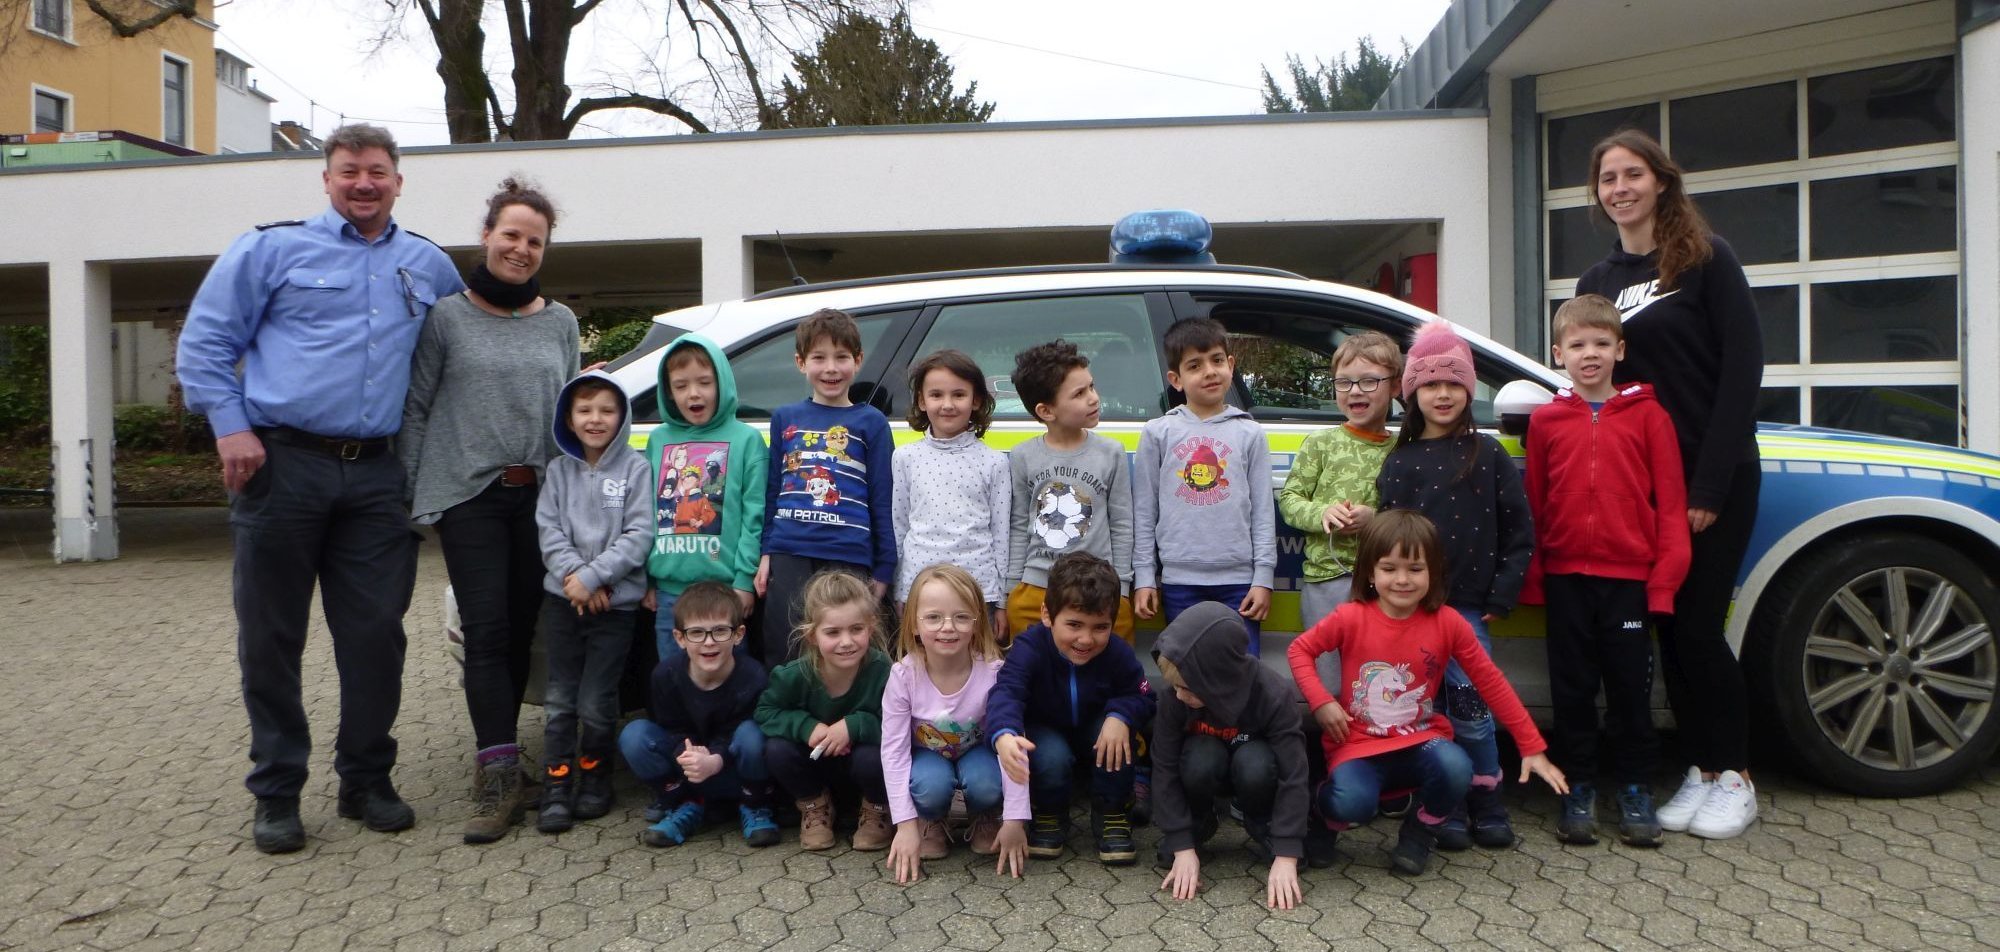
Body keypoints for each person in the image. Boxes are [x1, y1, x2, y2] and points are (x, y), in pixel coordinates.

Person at [176, 124, 464, 854]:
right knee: (271, 638)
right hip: (281, 465)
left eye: (376, 171)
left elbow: (465, 354)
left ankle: (366, 780)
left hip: (377, 475)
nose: (362, 183)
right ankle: (276, 792)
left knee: (375, 636)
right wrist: (231, 426)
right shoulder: (269, 249)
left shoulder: (428, 265)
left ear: (399, 181)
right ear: (326, 179)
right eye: (348, 172)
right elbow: (205, 345)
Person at [1576, 129, 1765, 840]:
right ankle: (1702, 769)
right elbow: (1590, 376)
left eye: (1632, 174)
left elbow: (1743, 371)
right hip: (1643, 486)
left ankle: (1738, 773)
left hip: (1713, 478)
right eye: (1607, 179)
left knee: (1697, 626)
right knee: (1666, 629)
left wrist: (1709, 487)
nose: (1619, 188)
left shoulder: (1707, 262)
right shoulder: (1596, 283)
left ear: (1660, 181)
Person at [396, 176, 580, 843]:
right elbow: (416, 407)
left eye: (535, 240)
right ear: (486, 235)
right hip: (468, 496)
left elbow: (572, 416)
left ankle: (509, 762)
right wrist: (417, 500)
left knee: (523, 629)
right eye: (511, 235)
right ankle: (496, 776)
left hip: (540, 497)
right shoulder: (446, 317)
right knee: (488, 630)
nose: (521, 249)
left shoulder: (561, 323)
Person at [1286, 510, 1567, 875]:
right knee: (1352, 803)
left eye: (1415, 569)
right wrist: (1321, 701)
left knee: (1456, 767)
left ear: (1433, 571)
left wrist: (1532, 745)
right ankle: (1325, 821)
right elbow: (1299, 651)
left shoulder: (1449, 622)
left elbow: (1490, 681)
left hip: (1421, 741)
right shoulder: (1350, 616)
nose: (1402, 580)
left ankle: (1421, 832)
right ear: (1370, 573)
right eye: (1389, 568)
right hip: (1357, 744)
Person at [1522, 294, 1691, 847]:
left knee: (1629, 693)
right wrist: (1536, 578)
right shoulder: (1547, 421)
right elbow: (1536, 506)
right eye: (1576, 345)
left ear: (1620, 349)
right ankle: (1579, 790)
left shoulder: (1650, 417)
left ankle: (1636, 788)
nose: (1588, 354)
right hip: (1568, 580)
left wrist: (1661, 586)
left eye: (1600, 343)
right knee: (1571, 692)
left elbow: (1670, 508)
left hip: (1629, 583)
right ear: (1557, 353)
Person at [1375, 320, 1535, 851]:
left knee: (1471, 714)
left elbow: (1519, 531)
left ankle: (1487, 800)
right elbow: (1387, 542)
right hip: (1410, 615)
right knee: (1425, 715)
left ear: (1469, 390)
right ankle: (1445, 804)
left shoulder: (1486, 454)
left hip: (1468, 613)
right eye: (1429, 384)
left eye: (1454, 383)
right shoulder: (1399, 462)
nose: (1442, 394)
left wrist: (1501, 595)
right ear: (1412, 393)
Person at [526, 371, 653, 839]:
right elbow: (549, 531)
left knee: (598, 701)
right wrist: (575, 578)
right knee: (560, 698)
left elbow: (640, 534)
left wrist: (596, 577)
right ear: (569, 419)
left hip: (614, 608)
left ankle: (595, 777)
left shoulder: (636, 469)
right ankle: (556, 784)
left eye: (606, 409)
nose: (595, 419)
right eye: (585, 410)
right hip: (564, 603)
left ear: (622, 416)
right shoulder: (557, 472)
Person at [988, 552, 1156, 865]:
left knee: (1119, 739)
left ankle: (1112, 813)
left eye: (1100, 627)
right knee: (1048, 754)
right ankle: (1050, 813)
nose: (1086, 639)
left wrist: (1120, 715)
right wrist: (1004, 734)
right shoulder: (1029, 647)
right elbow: (1006, 693)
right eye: (1074, 624)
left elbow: (1143, 696)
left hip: (1097, 728)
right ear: (1047, 615)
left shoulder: (1117, 651)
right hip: (1047, 729)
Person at [755, 309, 897, 664]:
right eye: (819, 358)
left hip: (848, 553)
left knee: (844, 647)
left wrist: (883, 570)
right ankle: (788, 717)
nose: (831, 368)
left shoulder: (872, 422)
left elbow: (883, 501)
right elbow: (774, 490)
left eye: (841, 357)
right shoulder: (784, 418)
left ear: (858, 361)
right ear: (801, 362)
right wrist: (766, 552)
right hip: (789, 549)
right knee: (784, 646)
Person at [1152, 602, 1310, 911]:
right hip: (1206, 766)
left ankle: (1262, 824)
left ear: (1217, 679)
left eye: (1188, 688)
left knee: (1256, 763)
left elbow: (1295, 774)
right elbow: (1164, 767)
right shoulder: (1174, 696)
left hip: (1253, 771)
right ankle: (1199, 822)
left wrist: (1287, 852)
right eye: (1176, 687)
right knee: (1200, 757)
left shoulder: (1274, 694)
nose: (1180, 695)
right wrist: (1181, 844)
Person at [1132, 317, 1275, 654]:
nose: (1210, 371)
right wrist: (1144, 578)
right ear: (1176, 379)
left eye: (1217, 360)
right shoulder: (1158, 433)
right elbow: (1143, 512)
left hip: (1239, 583)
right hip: (1180, 582)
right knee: (1185, 674)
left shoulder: (1250, 433)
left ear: (1231, 364)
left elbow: (1263, 513)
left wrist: (1263, 578)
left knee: (1239, 673)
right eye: (1195, 365)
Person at [881, 564, 1030, 884]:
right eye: (933, 617)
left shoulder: (994, 672)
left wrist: (1015, 820)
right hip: (928, 758)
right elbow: (893, 754)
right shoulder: (903, 676)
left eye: (961, 617)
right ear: (915, 624)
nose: (948, 627)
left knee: (987, 782)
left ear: (977, 623)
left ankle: (986, 815)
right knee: (930, 786)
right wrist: (904, 826)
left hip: (978, 755)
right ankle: (929, 819)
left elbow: (1014, 746)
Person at [618, 581, 778, 849]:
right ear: (680, 638)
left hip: (733, 771)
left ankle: (754, 805)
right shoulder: (665, 675)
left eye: (720, 631)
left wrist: (715, 759)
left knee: (753, 735)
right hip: (689, 771)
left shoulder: (754, 676)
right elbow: (671, 729)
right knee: (634, 735)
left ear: (738, 635)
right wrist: (690, 756)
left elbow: (746, 733)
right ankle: (684, 804)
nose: (708, 642)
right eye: (696, 633)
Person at [643, 334, 767, 662]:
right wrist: (646, 578)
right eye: (681, 386)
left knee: (728, 683)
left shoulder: (747, 440)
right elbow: (645, 512)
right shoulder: (658, 441)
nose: (694, 393)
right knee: (672, 681)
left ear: (722, 383)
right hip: (669, 592)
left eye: (704, 382)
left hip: (726, 592)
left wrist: (744, 580)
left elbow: (756, 516)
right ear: (668, 391)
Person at [1003, 340, 1137, 643]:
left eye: (1091, 387)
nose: (1093, 398)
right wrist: (1011, 591)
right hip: (1035, 590)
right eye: (1079, 393)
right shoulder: (1023, 456)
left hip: (1100, 591)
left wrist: (1123, 590)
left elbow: (1122, 524)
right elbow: (1018, 526)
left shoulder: (1111, 452)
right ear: (1046, 410)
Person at [755, 570, 895, 851]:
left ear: (871, 627)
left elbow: (900, 724)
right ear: (812, 636)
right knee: (777, 749)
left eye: (856, 629)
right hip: (814, 766)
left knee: (874, 755)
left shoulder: (885, 671)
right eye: (833, 632)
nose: (846, 642)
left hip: (864, 769)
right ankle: (814, 806)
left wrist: (854, 726)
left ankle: (877, 810)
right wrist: (807, 727)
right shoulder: (793, 675)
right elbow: (765, 712)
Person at [1278, 331, 1405, 625]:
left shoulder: (1403, 449)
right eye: (1344, 382)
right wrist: (1323, 512)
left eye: (1369, 381)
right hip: (1326, 578)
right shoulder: (1320, 443)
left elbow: (1414, 514)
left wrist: (1375, 519)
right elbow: (1289, 499)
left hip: (1386, 581)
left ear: (1396, 386)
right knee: (1327, 666)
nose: (1356, 391)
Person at [891, 351, 1010, 634]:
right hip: (918, 589)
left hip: (978, 589)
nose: (947, 405)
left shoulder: (994, 462)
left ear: (976, 400)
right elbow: (899, 526)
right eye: (936, 395)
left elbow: (1001, 535)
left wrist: (1002, 600)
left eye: (959, 395)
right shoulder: (905, 457)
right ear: (921, 401)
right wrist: (899, 590)